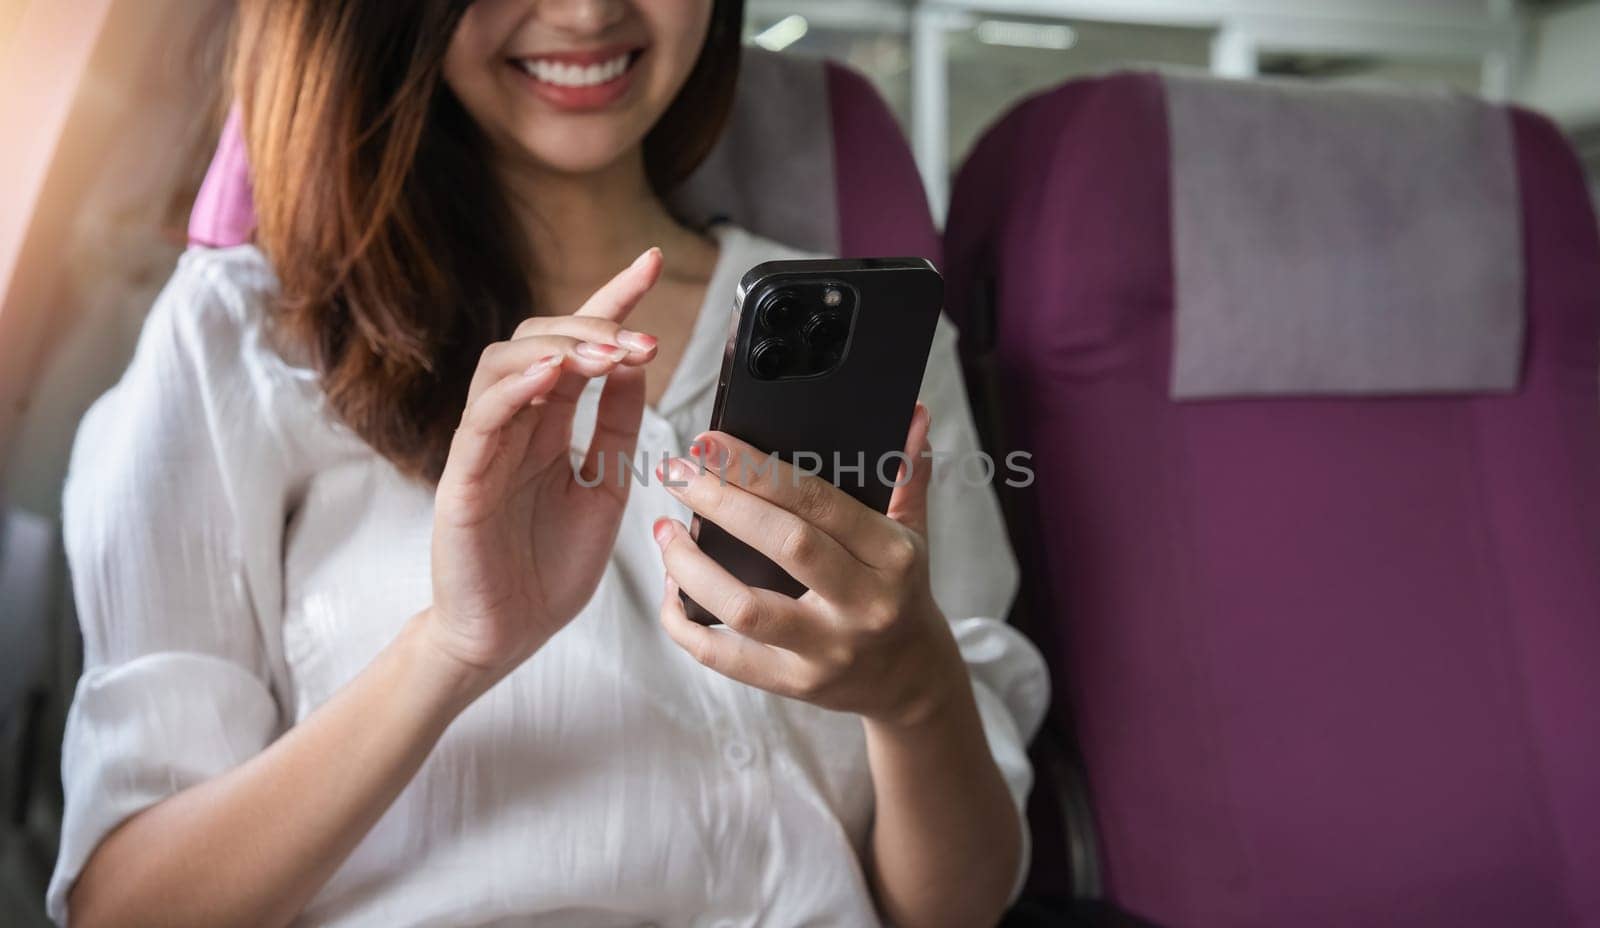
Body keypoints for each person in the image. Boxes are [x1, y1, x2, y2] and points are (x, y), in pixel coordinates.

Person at [48, 0, 1048, 925]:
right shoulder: (237, 339)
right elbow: (123, 905)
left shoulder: (878, 346)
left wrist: (915, 695)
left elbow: (954, 907)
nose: (585, 11)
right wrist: (451, 648)